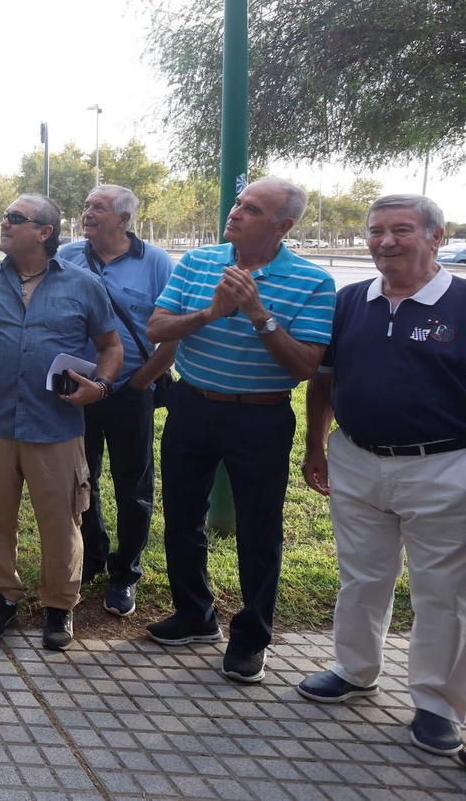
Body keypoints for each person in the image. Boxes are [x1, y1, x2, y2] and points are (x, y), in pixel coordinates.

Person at [145, 178, 334, 684]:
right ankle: (194, 615)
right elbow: (157, 329)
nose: (235, 212)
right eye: (237, 204)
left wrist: (256, 313)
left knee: (259, 530)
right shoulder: (197, 262)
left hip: (261, 417)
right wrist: (210, 313)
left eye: (251, 209)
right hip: (191, 405)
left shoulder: (314, 282)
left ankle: (251, 638)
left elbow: (305, 367)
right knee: (183, 515)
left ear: (282, 226)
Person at [298, 194, 466, 758]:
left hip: (443, 467)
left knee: (442, 591)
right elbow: (322, 379)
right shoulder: (350, 301)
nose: (385, 241)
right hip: (355, 458)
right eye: (376, 231)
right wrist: (315, 444)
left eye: (402, 230)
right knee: (362, 575)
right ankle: (355, 669)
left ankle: (436, 703)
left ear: (436, 237)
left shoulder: (462, 302)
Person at [0, 194, 122, 652]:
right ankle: (2, 596)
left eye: (15, 219)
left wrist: (99, 387)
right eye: (4, 215)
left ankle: (59, 605)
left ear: (45, 232)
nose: (4, 223)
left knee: (62, 519)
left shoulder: (82, 286)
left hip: (55, 427)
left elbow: (111, 347)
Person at [57, 185, 177, 618]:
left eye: (98, 207)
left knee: (134, 485)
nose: (87, 212)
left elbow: (172, 330)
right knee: (78, 480)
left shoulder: (156, 261)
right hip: (76, 391)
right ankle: (91, 556)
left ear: (124, 219)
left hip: (130, 391)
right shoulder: (67, 255)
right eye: (86, 204)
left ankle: (125, 571)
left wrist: (140, 383)